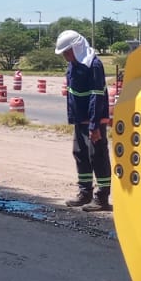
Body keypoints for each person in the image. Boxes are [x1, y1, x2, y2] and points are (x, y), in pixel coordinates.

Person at [56, 30, 111, 211]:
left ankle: (102, 197)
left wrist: (94, 125)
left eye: (67, 52)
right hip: (80, 119)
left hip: (94, 121)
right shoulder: (73, 65)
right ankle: (85, 192)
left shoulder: (93, 65)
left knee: (98, 156)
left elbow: (97, 96)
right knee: (80, 154)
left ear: (77, 47)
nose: (65, 56)